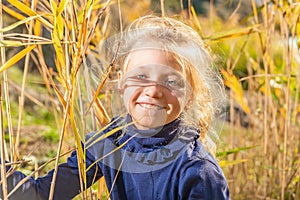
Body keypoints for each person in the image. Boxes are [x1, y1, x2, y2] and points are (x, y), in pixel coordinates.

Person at [1, 15, 230, 199]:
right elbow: (43, 194)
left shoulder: (198, 172)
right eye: (141, 75)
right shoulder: (110, 142)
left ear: (190, 95)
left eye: (171, 82)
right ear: (121, 82)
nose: (153, 90)